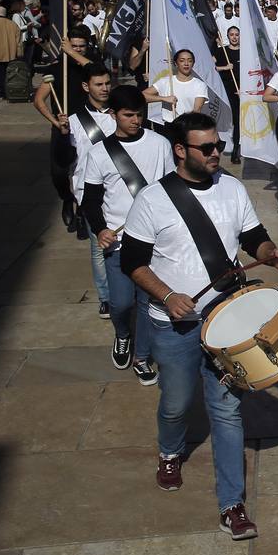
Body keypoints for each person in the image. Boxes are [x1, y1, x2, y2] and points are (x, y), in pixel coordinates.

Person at [121, 113, 278, 540]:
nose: (217, 153)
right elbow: (132, 262)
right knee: (177, 404)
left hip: (225, 322)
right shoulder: (153, 201)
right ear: (181, 150)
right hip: (173, 326)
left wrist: (270, 252)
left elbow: (253, 237)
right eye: (206, 148)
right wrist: (165, 295)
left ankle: (232, 505)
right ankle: (169, 450)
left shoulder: (231, 188)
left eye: (217, 145)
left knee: (227, 411)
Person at [81, 85, 173, 383]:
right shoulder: (99, 153)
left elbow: (172, 189)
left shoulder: (160, 144)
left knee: (148, 301)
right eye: (128, 115)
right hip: (118, 241)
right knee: (122, 303)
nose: (136, 120)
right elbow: (91, 200)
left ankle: (143, 357)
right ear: (113, 114)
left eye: (140, 114)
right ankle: (123, 334)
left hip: (154, 240)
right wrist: (101, 230)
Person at [67, 64, 118, 316]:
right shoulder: (74, 121)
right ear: (87, 87)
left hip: (121, 192)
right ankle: (106, 297)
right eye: (99, 84)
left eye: (108, 83)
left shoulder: (121, 116)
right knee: (99, 249)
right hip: (90, 194)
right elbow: (64, 160)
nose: (105, 88)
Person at [33, 26, 93, 233]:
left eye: (81, 46)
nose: (77, 49)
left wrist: (71, 52)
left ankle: (82, 212)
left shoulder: (91, 68)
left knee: (86, 173)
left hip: (88, 127)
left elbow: (97, 72)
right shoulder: (56, 69)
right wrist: (55, 121)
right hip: (63, 126)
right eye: (73, 45)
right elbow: (39, 100)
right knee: (59, 172)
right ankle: (67, 199)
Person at [144, 50, 208, 127]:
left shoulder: (200, 85)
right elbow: (141, 96)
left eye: (190, 61)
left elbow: (197, 110)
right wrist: (163, 98)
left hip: (188, 125)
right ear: (176, 63)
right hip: (166, 125)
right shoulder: (165, 81)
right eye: (182, 60)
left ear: (193, 64)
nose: (186, 64)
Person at [214, 27, 242, 163]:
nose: (234, 37)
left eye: (237, 34)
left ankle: (236, 150)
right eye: (232, 35)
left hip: (240, 90)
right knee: (222, 117)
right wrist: (225, 68)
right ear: (228, 36)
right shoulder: (221, 51)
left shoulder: (245, 52)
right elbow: (211, 68)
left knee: (237, 119)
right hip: (225, 89)